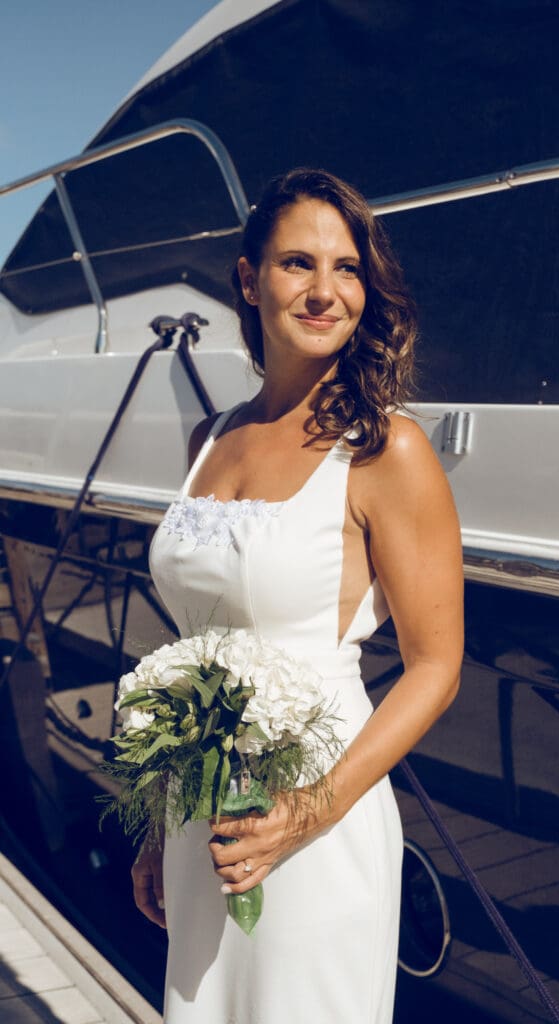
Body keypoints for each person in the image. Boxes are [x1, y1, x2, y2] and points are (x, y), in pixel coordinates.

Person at [134, 168, 464, 1023]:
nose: (325, 292)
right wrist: (157, 820)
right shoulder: (214, 437)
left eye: (347, 269)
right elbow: (192, 647)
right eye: (296, 265)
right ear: (249, 280)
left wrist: (307, 813)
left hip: (318, 817)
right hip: (198, 816)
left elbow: (436, 667)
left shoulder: (385, 450)